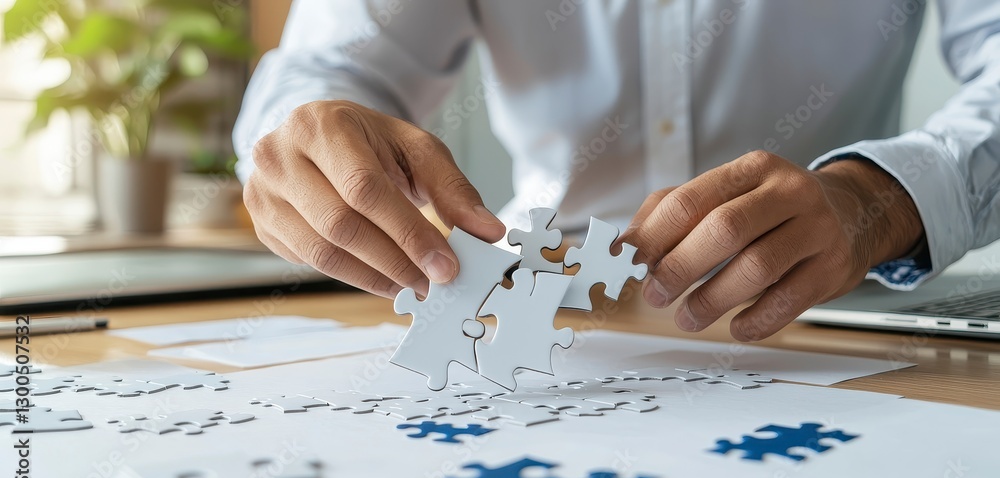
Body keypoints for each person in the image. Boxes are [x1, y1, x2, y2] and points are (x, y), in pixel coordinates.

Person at [233, 1, 1000, 341]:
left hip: (836, 308)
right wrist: (304, 131)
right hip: (539, 303)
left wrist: (881, 196)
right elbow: (329, 66)